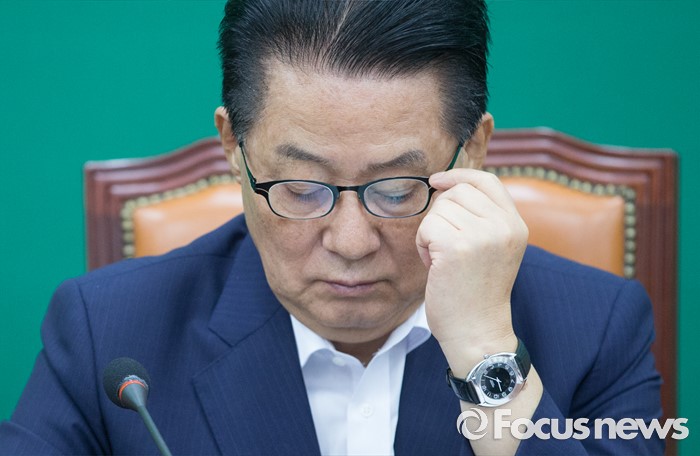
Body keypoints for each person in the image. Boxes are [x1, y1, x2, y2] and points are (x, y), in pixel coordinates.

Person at [0, 0, 663, 454]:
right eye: (300, 188)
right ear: (233, 147)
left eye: (397, 190)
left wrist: (489, 354)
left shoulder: (597, 328)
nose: (350, 242)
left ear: (474, 152)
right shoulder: (108, 331)